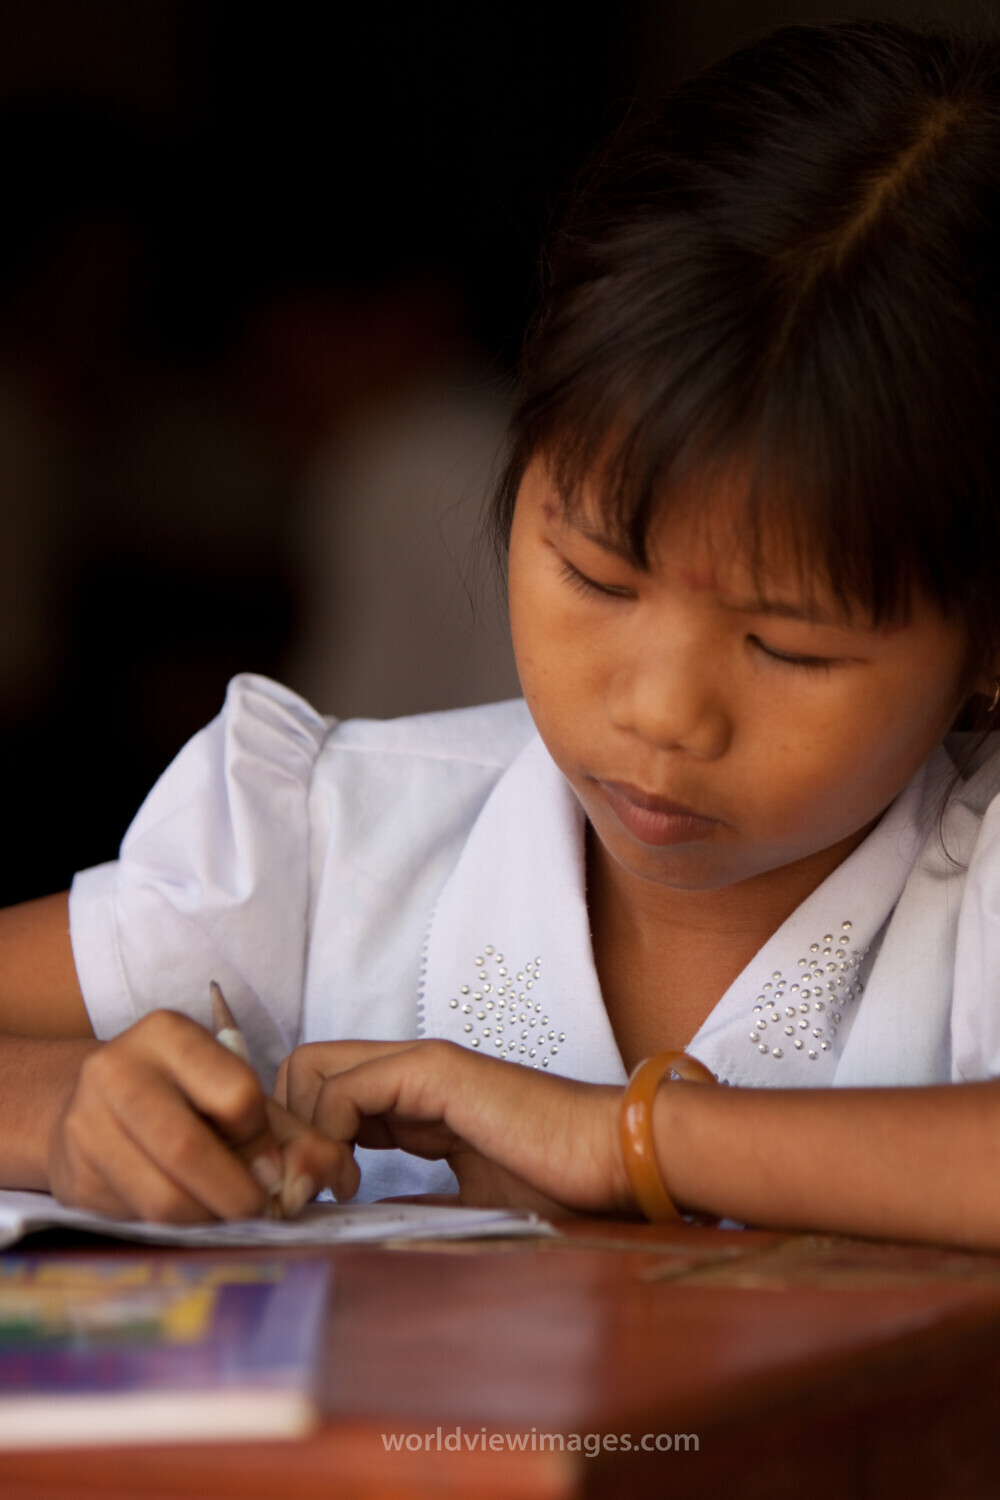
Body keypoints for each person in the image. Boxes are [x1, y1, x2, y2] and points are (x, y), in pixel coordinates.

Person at [4, 19, 1000, 1244]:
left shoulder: (977, 893)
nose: (658, 712)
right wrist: (53, 1107)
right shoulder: (326, 853)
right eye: (595, 575)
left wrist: (619, 1137)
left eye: (791, 647)